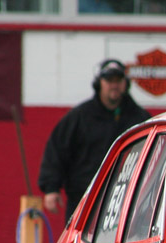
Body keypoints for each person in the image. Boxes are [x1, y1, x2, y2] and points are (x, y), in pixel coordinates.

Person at [38, 59, 150, 225]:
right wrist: (51, 188)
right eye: (109, 80)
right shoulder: (79, 117)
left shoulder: (140, 119)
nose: (114, 85)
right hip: (84, 201)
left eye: (118, 80)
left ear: (125, 84)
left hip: (128, 203)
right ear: (99, 83)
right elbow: (57, 151)